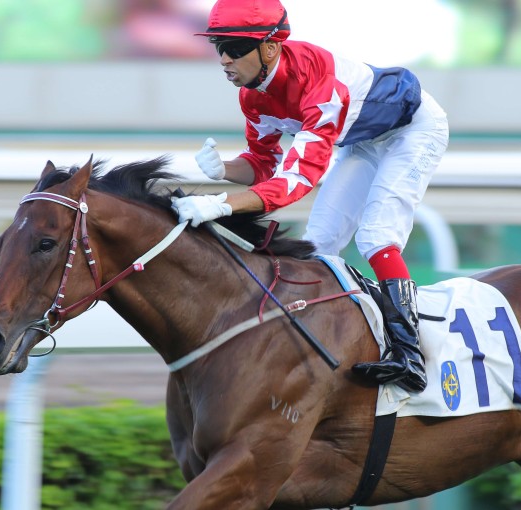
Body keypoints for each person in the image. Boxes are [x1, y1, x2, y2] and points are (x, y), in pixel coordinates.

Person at [172, 0, 449, 394]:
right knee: (317, 245)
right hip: (365, 141)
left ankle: (411, 356)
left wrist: (221, 204)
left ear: (270, 47)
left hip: (414, 130)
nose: (223, 59)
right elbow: (264, 164)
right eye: (218, 46)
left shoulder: (321, 85)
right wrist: (225, 170)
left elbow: (296, 180)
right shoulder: (252, 96)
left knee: (376, 237)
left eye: (234, 47)